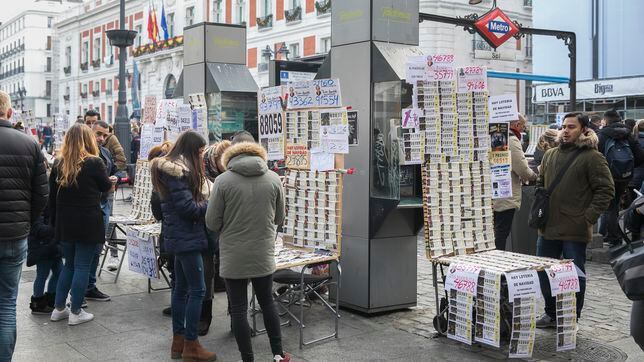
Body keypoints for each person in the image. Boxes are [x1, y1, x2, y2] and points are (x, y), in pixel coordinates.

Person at [206, 131, 290, 362]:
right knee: (268, 302)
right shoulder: (273, 178)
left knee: (240, 309)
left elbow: (212, 222)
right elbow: (279, 218)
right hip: (263, 252)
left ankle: (248, 359)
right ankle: (278, 354)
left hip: (234, 254)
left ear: (230, 152)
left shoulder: (223, 181)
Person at [535, 112, 614, 328]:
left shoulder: (592, 157)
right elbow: (541, 183)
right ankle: (551, 313)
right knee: (544, 272)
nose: (566, 131)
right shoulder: (550, 154)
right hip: (548, 227)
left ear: (584, 130)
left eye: (571, 127)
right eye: (563, 127)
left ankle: (572, 318)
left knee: (574, 276)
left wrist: (587, 218)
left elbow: (606, 190)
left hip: (575, 228)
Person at [151, 131, 216, 361]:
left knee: (180, 289)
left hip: (178, 237)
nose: (201, 156)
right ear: (190, 151)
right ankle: (191, 344)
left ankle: (178, 342)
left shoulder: (171, 171)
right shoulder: (178, 174)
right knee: (197, 290)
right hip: (187, 238)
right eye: (199, 152)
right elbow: (187, 209)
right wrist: (210, 204)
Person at [49, 124, 115, 326]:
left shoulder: (58, 163)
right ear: (88, 139)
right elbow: (105, 187)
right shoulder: (94, 162)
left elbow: (51, 198)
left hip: (65, 223)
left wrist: (54, 224)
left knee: (69, 265)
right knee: (83, 266)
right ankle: (76, 311)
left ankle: (59, 308)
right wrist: (111, 181)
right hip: (87, 222)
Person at [0, 90, 48, 360]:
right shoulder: (29, 144)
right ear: (10, 113)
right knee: (6, 303)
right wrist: (24, 223)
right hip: (15, 235)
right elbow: (41, 195)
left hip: (16, 231)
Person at [82, 120, 119, 303]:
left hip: (103, 204)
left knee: (97, 247)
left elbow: (118, 169)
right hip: (89, 206)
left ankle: (90, 284)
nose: (102, 138)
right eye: (98, 134)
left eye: (105, 135)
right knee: (86, 250)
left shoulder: (105, 152)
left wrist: (115, 177)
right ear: (90, 131)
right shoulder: (82, 153)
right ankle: (83, 288)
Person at [597, 110, 644, 246]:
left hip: (607, 174)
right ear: (619, 120)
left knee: (609, 206)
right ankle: (610, 235)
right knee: (614, 204)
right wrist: (627, 167)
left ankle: (612, 237)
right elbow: (640, 156)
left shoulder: (602, 135)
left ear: (606, 121)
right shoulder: (628, 134)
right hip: (624, 177)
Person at [199, 141, 231, 336]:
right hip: (206, 232)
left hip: (229, 232)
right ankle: (204, 317)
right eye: (222, 161)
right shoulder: (200, 174)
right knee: (206, 273)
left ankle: (235, 316)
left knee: (232, 275)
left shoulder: (229, 176)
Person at [492, 115, 537, 251]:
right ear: (517, 125)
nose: (523, 129)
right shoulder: (511, 140)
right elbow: (522, 168)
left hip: (494, 193)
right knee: (501, 232)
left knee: (495, 231)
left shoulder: (495, 137)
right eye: (523, 126)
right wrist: (534, 175)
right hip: (506, 193)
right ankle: (497, 262)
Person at [148, 141, 174, 317]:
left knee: (177, 274)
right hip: (175, 234)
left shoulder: (162, 183)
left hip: (173, 234)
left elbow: (158, 213)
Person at [27, 201, 62, 315]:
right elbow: (37, 228)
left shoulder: (51, 203)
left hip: (52, 246)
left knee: (59, 272)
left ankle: (52, 297)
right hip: (43, 247)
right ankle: (38, 302)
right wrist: (56, 229)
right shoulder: (39, 206)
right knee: (42, 274)